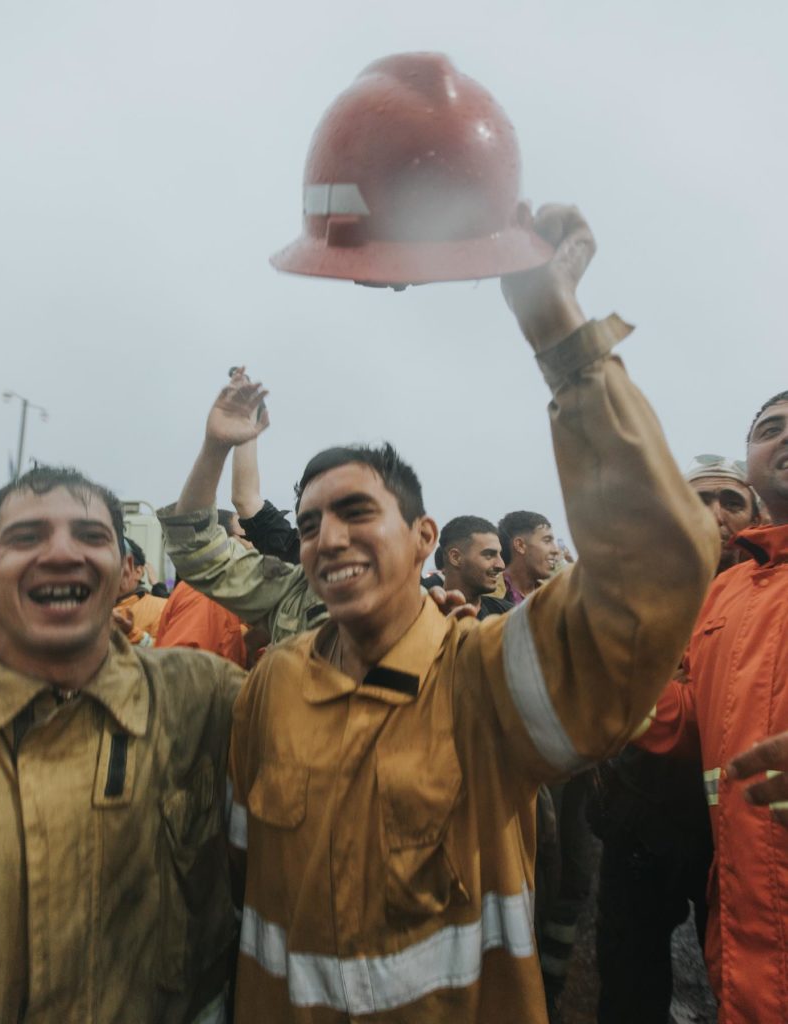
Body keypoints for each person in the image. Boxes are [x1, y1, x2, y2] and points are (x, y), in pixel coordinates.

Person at [216, 204, 717, 1022]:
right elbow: (244, 880)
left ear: (421, 538)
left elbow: (655, 567)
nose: (325, 538)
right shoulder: (269, 685)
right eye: (308, 525)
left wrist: (555, 326)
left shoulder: (487, 678)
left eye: (354, 512)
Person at [0, 465, 242, 1023]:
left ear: (124, 572)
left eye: (90, 536)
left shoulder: (199, 695)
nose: (63, 554)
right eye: (27, 537)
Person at [635, 391, 788, 1024]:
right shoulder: (728, 592)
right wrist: (601, 681)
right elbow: (688, 716)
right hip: (747, 935)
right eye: (772, 427)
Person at [592, 453, 759, 1024]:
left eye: (731, 501)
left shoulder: (772, 591)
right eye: (697, 501)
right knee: (629, 976)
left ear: (755, 513)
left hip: (739, 825)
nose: (715, 515)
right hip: (638, 817)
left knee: (741, 975)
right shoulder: (634, 592)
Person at [155, 510, 250, 667]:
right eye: (248, 537)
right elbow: (180, 672)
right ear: (222, 542)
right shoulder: (205, 594)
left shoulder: (226, 594)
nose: (254, 545)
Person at [424, 515, 512, 619]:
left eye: (499, 554)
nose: (501, 565)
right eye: (489, 555)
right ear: (455, 557)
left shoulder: (507, 616)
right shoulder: (423, 617)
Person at [114, 536, 169, 645]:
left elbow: (166, 654)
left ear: (138, 572)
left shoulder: (161, 608)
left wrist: (132, 634)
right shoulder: (89, 607)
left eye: (118, 563)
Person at [497, 511, 560, 605]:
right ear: (520, 545)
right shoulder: (486, 599)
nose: (556, 550)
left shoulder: (556, 600)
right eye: (547, 541)